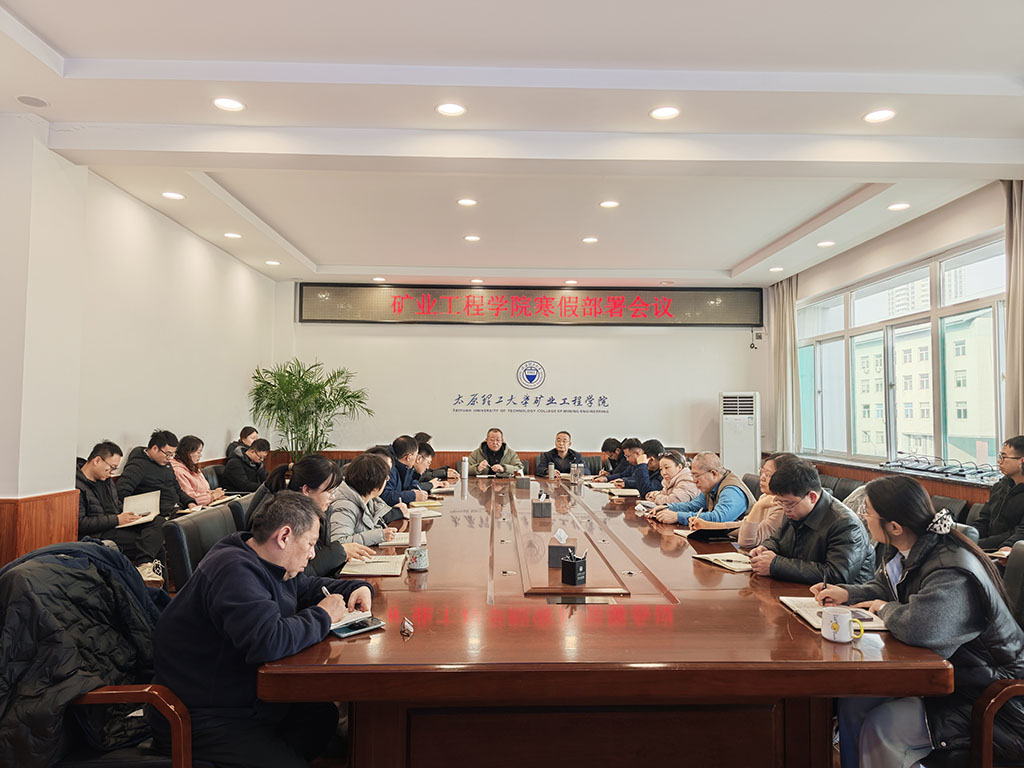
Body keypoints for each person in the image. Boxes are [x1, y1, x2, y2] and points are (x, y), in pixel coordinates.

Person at [149, 491, 374, 768]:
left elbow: (308, 588)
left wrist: (358, 587)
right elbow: (267, 640)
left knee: (322, 715)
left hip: (242, 696)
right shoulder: (233, 569)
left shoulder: (271, 562)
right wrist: (323, 616)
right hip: (201, 713)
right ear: (284, 536)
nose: (313, 553)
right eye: (310, 543)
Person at [814, 476, 1024, 768]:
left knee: (883, 725)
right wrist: (848, 593)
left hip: (989, 701)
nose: (863, 516)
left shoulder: (951, 570)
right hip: (949, 680)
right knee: (855, 701)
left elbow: (921, 628)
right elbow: (888, 587)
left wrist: (883, 609)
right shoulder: (907, 548)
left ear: (895, 526)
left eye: (868, 511)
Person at [748, 459, 874, 584]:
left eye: (789, 504)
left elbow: (836, 574)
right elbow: (778, 540)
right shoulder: (794, 510)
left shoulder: (846, 524)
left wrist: (775, 565)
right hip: (802, 588)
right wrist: (765, 548)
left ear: (812, 497)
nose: (785, 509)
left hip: (844, 594)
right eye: (781, 503)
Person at [248, 454, 373, 573]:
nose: (333, 497)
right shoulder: (284, 518)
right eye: (329, 492)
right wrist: (340, 552)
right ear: (306, 490)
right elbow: (298, 574)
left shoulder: (316, 511)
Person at [75, 440, 165, 586]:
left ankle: (145, 566)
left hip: (117, 525)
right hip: (99, 533)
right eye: (111, 467)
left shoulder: (106, 480)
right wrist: (117, 519)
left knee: (159, 521)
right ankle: (147, 574)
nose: (112, 472)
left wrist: (134, 514)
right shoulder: (77, 486)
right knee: (155, 546)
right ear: (97, 461)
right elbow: (80, 524)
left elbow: (116, 506)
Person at [685, 452, 796, 548]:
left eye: (768, 474)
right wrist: (708, 526)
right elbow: (742, 526)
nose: (762, 477)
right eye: (762, 472)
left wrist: (758, 507)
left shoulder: (780, 506)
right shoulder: (765, 497)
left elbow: (748, 541)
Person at [651, 451, 754, 526]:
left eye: (697, 476)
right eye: (692, 475)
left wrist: (677, 517)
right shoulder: (711, 487)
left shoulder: (731, 490)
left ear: (713, 474)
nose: (694, 481)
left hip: (739, 545)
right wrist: (668, 507)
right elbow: (693, 506)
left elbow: (718, 519)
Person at [117, 429, 197, 516]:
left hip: (177, 508)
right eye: (168, 454)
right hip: (160, 514)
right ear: (155, 448)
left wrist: (189, 502)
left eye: (172, 455)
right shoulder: (137, 466)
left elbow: (177, 488)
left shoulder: (165, 463)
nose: (169, 458)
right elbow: (121, 492)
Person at [330, 453, 396, 546]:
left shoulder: (370, 501)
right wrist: (379, 535)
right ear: (375, 488)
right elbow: (339, 543)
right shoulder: (344, 506)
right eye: (386, 478)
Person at [972, 435, 1024, 554]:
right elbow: (984, 520)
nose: (999, 461)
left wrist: (1007, 546)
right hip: (987, 547)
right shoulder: (999, 487)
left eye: (1004, 457)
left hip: (1008, 551)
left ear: (1021, 461)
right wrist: (969, 535)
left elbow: (1021, 532)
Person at [170, 435, 225, 507]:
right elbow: (190, 498)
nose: (200, 455)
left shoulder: (193, 467)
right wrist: (213, 496)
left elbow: (204, 491)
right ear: (188, 452)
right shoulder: (178, 471)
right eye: (198, 452)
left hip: (206, 504)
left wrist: (215, 494)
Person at [381, 435, 429, 505]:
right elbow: (385, 496)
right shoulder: (388, 468)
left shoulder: (406, 466)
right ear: (408, 457)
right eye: (415, 455)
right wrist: (412, 496)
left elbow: (410, 483)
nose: (416, 458)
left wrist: (414, 489)